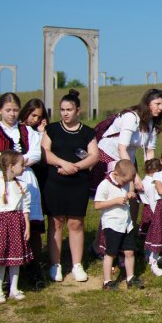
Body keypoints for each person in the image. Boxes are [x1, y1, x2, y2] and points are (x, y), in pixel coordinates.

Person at [42, 90, 97, 282]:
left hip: (78, 182)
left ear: (78, 110)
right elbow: (45, 152)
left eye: (69, 109)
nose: (65, 113)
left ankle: (77, 265)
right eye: (62, 110)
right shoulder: (53, 129)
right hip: (55, 181)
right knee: (55, 222)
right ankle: (55, 264)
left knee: (76, 223)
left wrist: (75, 167)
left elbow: (94, 156)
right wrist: (62, 163)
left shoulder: (88, 132)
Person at [0, 149, 31, 303]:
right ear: (11, 166)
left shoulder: (22, 185)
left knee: (15, 257)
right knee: (1, 258)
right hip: (1, 223)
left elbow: (25, 208)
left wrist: (27, 227)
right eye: (21, 165)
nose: (24, 167)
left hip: (17, 222)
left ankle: (14, 288)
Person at [94, 159, 139, 290]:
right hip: (112, 224)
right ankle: (107, 281)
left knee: (130, 251)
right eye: (125, 181)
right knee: (111, 253)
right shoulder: (104, 185)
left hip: (127, 224)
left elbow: (128, 188)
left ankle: (130, 278)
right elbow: (97, 205)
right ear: (116, 174)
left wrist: (130, 194)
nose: (126, 184)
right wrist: (115, 201)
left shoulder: (124, 182)